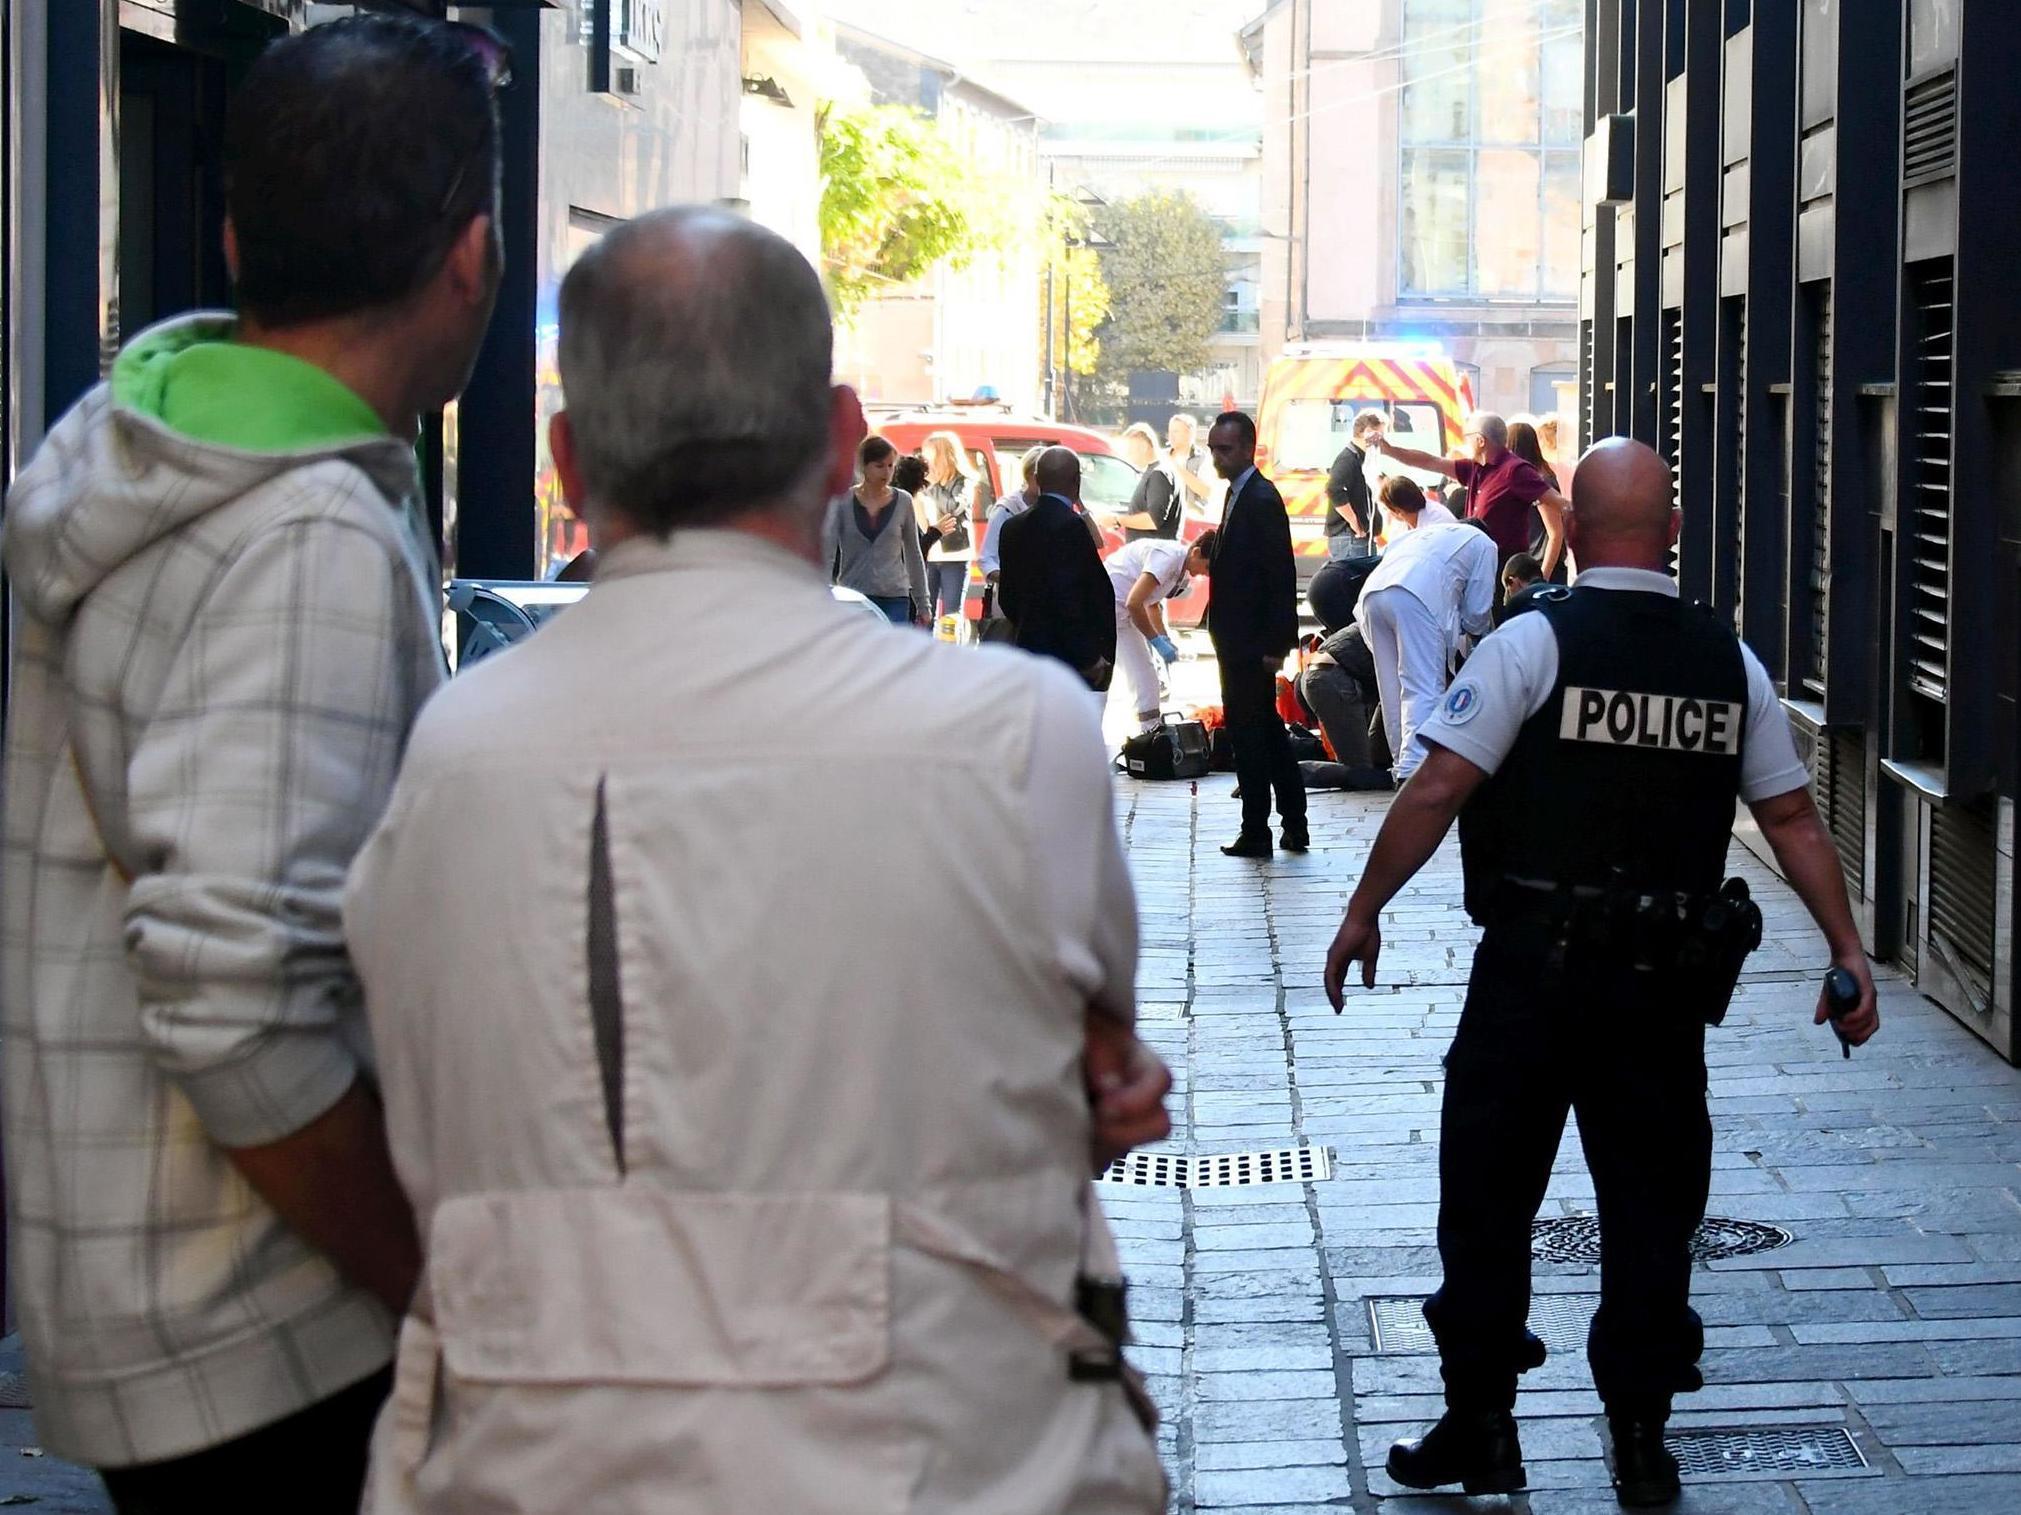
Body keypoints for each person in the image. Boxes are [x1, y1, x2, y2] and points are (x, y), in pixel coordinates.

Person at [345, 207, 1172, 1515]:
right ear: (846, 438)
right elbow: (1086, 1069)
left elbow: (412, 1101)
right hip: (942, 1464)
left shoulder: (452, 754)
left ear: (566, 461)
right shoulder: (1018, 739)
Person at [0, 15, 503, 1509]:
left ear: (229, 234)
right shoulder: (303, 534)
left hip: (144, 1294)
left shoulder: (129, 440)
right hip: (273, 1330)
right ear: (470, 259)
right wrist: (438, 1286)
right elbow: (234, 1000)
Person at [1323, 439, 1880, 1509]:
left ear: (1569, 530)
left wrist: (1361, 911)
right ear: (1672, 533)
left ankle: (1481, 1425)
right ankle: (1638, 1438)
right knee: (1650, 1208)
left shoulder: (1532, 644)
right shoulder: (1729, 664)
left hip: (1530, 978)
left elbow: (1438, 786)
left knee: (1485, 1197)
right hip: (1659, 991)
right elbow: (1790, 817)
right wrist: (1845, 951)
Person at [1205, 411, 1306, 857]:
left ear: (1248, 447)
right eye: (1212, 448)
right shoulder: (1237, 495)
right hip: (1236, 638)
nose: (1216, 457)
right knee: (1265, 729)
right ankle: (1291, 823)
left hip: (1250, 642)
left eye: (1224, 449)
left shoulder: (1261, 498)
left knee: (1252, 735)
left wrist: (1276, 644)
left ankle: (1258, 829)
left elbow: (1279, 574)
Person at [1355, 477, 1497, 786]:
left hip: (1372, 596)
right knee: (1422, 685)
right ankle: (1414, 771)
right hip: (1416, 595)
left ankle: (1401, 764)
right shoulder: (1485, 544)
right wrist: (1474, 635)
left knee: (1392, 687)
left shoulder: (1429, 533)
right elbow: (1476, 613)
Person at [1379, 410, 1568, 581]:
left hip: (1502, 568)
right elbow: (1430, 461)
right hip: (1478, 563)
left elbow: (1558, 503)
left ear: (1480, 440)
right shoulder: (1475, 468)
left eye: (1468, 437)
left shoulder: (1515, 471)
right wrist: (1390, 451)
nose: (1466, 442)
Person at [996, 446, 1119, 691]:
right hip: (1068, 660)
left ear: (1038, 480)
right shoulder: (1071, 527)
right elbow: (1070, 598)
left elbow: (1007, 597)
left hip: (1029, 650)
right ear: (1077, 482)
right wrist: (1089, 656)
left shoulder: (1012, 527)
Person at [1109, 530, 1217, 732]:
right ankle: (1149, 732)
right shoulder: (1168, 558)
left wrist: (1164, 638)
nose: (1206, 573)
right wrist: (1155, 640)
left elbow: (1152, 605)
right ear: (1196, 552)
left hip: (1120, 616)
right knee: (1108, 678)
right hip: (1107, 611)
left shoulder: (1180, 571)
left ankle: (1150, 731)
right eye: (1207, 566)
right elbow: (1134, 602)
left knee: (1145, 676)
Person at [821, 434, 927, 624]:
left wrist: (923, 603)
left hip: (894, 596)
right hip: (854, 595)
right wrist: (823, 592)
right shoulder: (843, 501)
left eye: (890, 466)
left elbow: (913, 553)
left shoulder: (903, 501)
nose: (886, 473)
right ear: (864, 467)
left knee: (891, 651)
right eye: (879, 466)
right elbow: (829, 548)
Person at [915, 430, 981, 631]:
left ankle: (950, 655)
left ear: (942, 455)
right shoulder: (925, 483)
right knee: (926, 612)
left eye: (930, 454)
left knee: (951, 616)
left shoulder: (964, 482)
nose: (926, 460)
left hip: (955, 556)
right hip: (928, 554)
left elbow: (953, 508)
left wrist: (932, 487)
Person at [1507, 419, 1569, 584]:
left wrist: (1542, 579)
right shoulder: (1536, 477)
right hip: (1535, 566)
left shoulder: (1539, 482)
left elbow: (1555, 533)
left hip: (1543, 567)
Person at [1324, 410, 1385, 559]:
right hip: (1350, 537)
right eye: (1380, 434)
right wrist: (1354, 522)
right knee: (1355, 581)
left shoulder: (1362, 458)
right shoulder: (1348, 459)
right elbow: (1334, 489)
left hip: (1357, 537)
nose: (1381, 440)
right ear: (1368, 432)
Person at [1109, 423, 1183, 541]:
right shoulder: (1155, 471)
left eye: (1130, 449)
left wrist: (1117, 520)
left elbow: (1153, 520)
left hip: (1154, 554)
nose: (1128, 454)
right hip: (1148, 553)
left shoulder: (1159, 474)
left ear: (1143, 447)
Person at [1165, 412, 1218, 516]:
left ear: (1189, 433)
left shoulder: (1203, 459)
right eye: (1170, 431)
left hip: (1192, 518)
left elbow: (1206, 491)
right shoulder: (1161, 456)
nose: (1171, 435)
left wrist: (1175, 466)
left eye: (1176, 431)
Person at [1499, 551, 1553, 620]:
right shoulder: (1563, 595)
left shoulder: (1521, 609)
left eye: (1507, 588)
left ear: (1513, 581)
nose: (1507, 594)